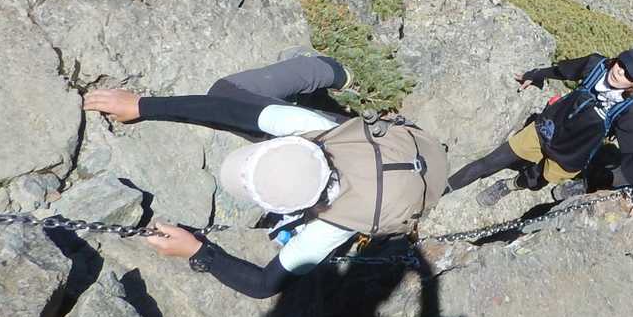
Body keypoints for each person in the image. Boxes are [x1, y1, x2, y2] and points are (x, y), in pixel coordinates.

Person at [82, 53, 447, 298]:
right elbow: (221, 110)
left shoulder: (330, 215)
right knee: (226, 96)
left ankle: (329, 70)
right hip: (413, 159)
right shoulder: (331, 212)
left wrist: (197, 251)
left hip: (413, 160)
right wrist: (141, 106)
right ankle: (332, 70)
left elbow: (264, 287)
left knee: (227, 91)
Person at [445, 46, 633, 231]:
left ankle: (510, 185)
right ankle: (440, 190)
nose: (619, 72)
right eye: (622, 64)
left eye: (628, 75)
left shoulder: (630, 110)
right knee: (492, 161)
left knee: (535, 179)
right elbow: (564, 70)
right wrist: (536, 74)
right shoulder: (595, 65)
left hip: (571, 155)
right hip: (547, 127)